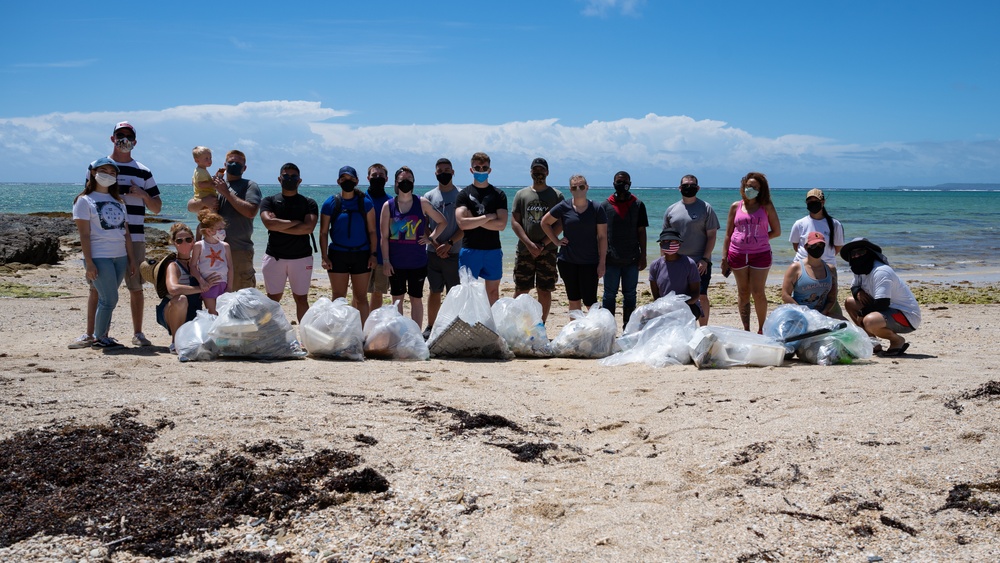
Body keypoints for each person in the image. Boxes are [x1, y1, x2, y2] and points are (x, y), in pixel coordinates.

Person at [75, 122, 161, 348]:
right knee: (96, 288)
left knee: (136, 286)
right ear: (112, 138)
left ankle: (138, 333)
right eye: (119, 135)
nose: (124, 139)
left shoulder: (143, 170)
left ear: (135, 141)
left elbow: (157, 208)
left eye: (128, 136)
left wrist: (142, 194)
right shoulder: (97, 166)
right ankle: (91, 334)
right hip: (101, 240)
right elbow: (88, 197)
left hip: (135, 236)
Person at [70, 157, 135, 348]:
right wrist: (88, 262)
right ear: (93, 173)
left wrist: (131, 259)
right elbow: (84, 235)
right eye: (104, 171)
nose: (108, 175)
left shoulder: (118, 201)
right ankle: (99, 336)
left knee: (109, 298)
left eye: (112, 172)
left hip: (120, 256)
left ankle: (103, 335)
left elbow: (126, 234)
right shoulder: (84, 201)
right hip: (99, 256)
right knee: (109, 298)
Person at [379, 166, 447, 327]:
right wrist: (386, 261)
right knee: (397, 299)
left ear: (414, 182)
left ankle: (416, 333)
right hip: (396, 263)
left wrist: (431, 238)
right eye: (402, 180)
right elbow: (384, 237)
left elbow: (442, 222)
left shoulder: (421, 202)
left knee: (416, 298)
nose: (405, 183)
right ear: (396, 183)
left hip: (417, 262)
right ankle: (400, 333)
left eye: (409, 180)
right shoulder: (388, 206)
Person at [187, 149, 261, 291]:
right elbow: (191, 206)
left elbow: (251, 211)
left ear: (244, 168)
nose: (234, 165)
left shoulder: (250, 186)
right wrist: (205, 200)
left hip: (239, 250)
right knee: (215, 296)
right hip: (212, 251)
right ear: (225, 165)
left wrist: (225, 192)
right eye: (231, 162)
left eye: (238, 163)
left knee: (242, 296)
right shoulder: (214, 185)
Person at [721, 172, 781, 332]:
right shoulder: (736, 206)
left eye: (755, 187)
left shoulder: (766, 206)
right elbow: (728, 234)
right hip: (737, 254)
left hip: (760, 254)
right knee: (743, 291)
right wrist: (724, 257)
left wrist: (760, 238)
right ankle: (746, 329)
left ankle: (761, 329)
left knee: (758, 292)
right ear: (743, 187)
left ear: (761, 190)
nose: (751, 189)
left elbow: (777, 231)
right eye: (748, 186)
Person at [259, 163, 319, 322]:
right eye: (286, 176)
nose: (289, 179)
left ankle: (305, 337)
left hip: (301, 258)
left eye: (293, 177)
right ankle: (269, 335)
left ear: (299, 180)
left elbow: (308, 228)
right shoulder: (269, 201)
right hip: (274, 256)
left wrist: (279, 225)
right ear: (279, 179)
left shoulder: (309, 203)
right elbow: (269, 224)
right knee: (272, 299)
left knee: (301, 299)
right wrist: (296, 222)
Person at [842, 238, 920, 356]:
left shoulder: (880, 271)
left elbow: (882, 303)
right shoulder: (860, 270)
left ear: (869, 253)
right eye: (853, 254)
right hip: (884, 310)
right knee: (850, 302)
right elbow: (854, 286)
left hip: (906, 316)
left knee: (869, 321)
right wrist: (858, 291)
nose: (857, 256)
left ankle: (897, 341)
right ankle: (873, 343)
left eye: (861, 252)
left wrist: (861, 313)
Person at [320, 166, 378, 325]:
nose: (347, 182)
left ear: (357, 181)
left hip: (362, 254)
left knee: (361, 297)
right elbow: (323, 232)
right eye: (344, 179)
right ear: (338, 181)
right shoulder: (330, 203)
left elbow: (373, 231)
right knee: (338, 297)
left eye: (351, 179)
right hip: (338, 255)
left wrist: (373, 254)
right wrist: (324, 257)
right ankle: (338, 331)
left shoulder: (365, 202)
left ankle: (362, 334)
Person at [540, 174, 607, 312]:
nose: (578, 190)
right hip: (568, 261)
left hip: (590, 262)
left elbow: (602, 237)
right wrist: (556, 241)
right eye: (574, 187)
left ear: (587, 188)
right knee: (573, 300)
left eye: (581, 186)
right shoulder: (564, 206)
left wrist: (602, 263)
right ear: (570, 190)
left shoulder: (597, 208)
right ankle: (575, 332)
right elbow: (545, 222)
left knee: (590, 302)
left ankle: (597, 331)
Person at [511, 157, 564, 323]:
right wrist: (529, 243)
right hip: (525, 250)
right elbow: (515, 222)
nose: (538, 173)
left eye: (542, 170)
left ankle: (540, 326)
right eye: (536, 170)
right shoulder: (521, 194)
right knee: (521, 289)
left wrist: (542, 244)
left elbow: (560, 223)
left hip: (547, 251)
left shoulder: (556, 195)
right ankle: (516, 326)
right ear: (531, 172)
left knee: (544, 289)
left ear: (547, 172)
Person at [663, 174, 720, 326]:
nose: (689, 187)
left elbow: (712, 236)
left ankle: (703, 329)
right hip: (676, 262)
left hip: (699, 262)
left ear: (698, 188)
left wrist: (705, 259)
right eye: (685, 185)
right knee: (677, 298)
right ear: (680, 188)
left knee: (701, 296)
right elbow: (665, 239)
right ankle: (680, 328)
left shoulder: (706, 208)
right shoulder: (671, 210)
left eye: (692, 185)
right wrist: (664, 261)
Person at [455, 152, 508, 305]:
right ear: (471, 170)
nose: (480, 170)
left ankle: (490, 325)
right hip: (470, 249)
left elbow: (501, 225)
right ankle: (469, 325)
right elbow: (462, 224)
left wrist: (473, 219)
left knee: (493, 293)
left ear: (489, 170)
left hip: (493, 250)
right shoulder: (464, 195)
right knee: (468, 293)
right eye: (477, 167)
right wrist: (488, 217)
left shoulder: (499, 195)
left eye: (484, 167)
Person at [154, 223, 213, 353]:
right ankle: (175, 342)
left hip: (192, 312)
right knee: (181, 299)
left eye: (188, 239)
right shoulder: (173, 265)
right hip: (171, 310)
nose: (184, 243)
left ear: (194, 242)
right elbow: (173, 289)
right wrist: (201, 288)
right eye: (179, 241)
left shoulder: (199, 264)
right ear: (174, 243)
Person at [422, 158, 465, 338]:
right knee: (434, 291)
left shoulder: (462, 195)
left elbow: (464, 226)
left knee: (454, 293)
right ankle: (431, 326)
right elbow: (424, 225)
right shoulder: (429, 197)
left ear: (453, 172)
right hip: (433, 253)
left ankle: (452, 326)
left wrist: (449, 244)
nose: (444, 173)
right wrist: (436, 244)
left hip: (455, 253)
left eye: (447, 170)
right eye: (440, 170)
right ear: (435, 174)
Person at [600, 170, 648, 329]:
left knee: (630, 295)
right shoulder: (605, 206)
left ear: (630, 183)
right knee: (609, 295)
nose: (622, 184)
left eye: (625, 181)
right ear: (613, 184)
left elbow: (642, 231)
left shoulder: (638, 205)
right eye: (618, 181)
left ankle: (628, 328)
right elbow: (600, 234)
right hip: (611, 259)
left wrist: (643, 255)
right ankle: (608, 328)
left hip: (632, 259)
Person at [648, 228, 702, 319]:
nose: (669, 244)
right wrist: (666, 307)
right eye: (665, 241)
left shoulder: (689, 264)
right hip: (664, 307)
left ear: (679, 244)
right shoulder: (655, 265)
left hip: (687, 306)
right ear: (661, 244)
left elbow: (695, 294)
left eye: (672, 241)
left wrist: (679, 305)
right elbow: (656, 297)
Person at [780, 231, 838, 315]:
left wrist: (823, 313)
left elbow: (832, 298)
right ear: (806, 247)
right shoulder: (795, 268)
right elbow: (785, 296)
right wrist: (805, 313)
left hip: (822, 314)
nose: (818, 248)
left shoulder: (831, 269)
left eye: (821, 245)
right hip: (799, 313)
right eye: (814, 245)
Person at [189, 209, 233, 315]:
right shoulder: (199, 246)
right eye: (219, 229)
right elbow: (193, 266)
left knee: (224, 313)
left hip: (223, 283)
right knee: (213, 312)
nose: (223, 231)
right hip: (208, 284)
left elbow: (230, 267)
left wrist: (230, 287)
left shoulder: (225, 246)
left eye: (223, 228)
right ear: (208, 231)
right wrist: (202, 282)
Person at [365, 163, 392, 311]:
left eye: (380, 176)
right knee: (359, 294)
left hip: (383, 256)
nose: (377, 178)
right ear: (368, 178)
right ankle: (356, 325)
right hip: (362, 254)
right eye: (374, 175)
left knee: (377, 293)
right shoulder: (361, 199)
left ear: (386, 179)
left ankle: (371, 326)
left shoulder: (391, 202)